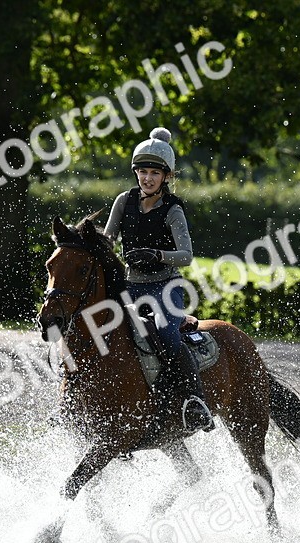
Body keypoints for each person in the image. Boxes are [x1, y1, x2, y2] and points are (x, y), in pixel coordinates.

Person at [102, 127, 214, 432]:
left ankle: (195, 400)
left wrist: (157, 254)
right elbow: (109, 238)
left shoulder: (172, 209)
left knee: (166, 334)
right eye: (142, 172)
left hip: (165, 287)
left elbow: (187, 255)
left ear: (166, 176)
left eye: (154, 173)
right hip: (129, 286)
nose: (147, 178)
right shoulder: (123, 201)